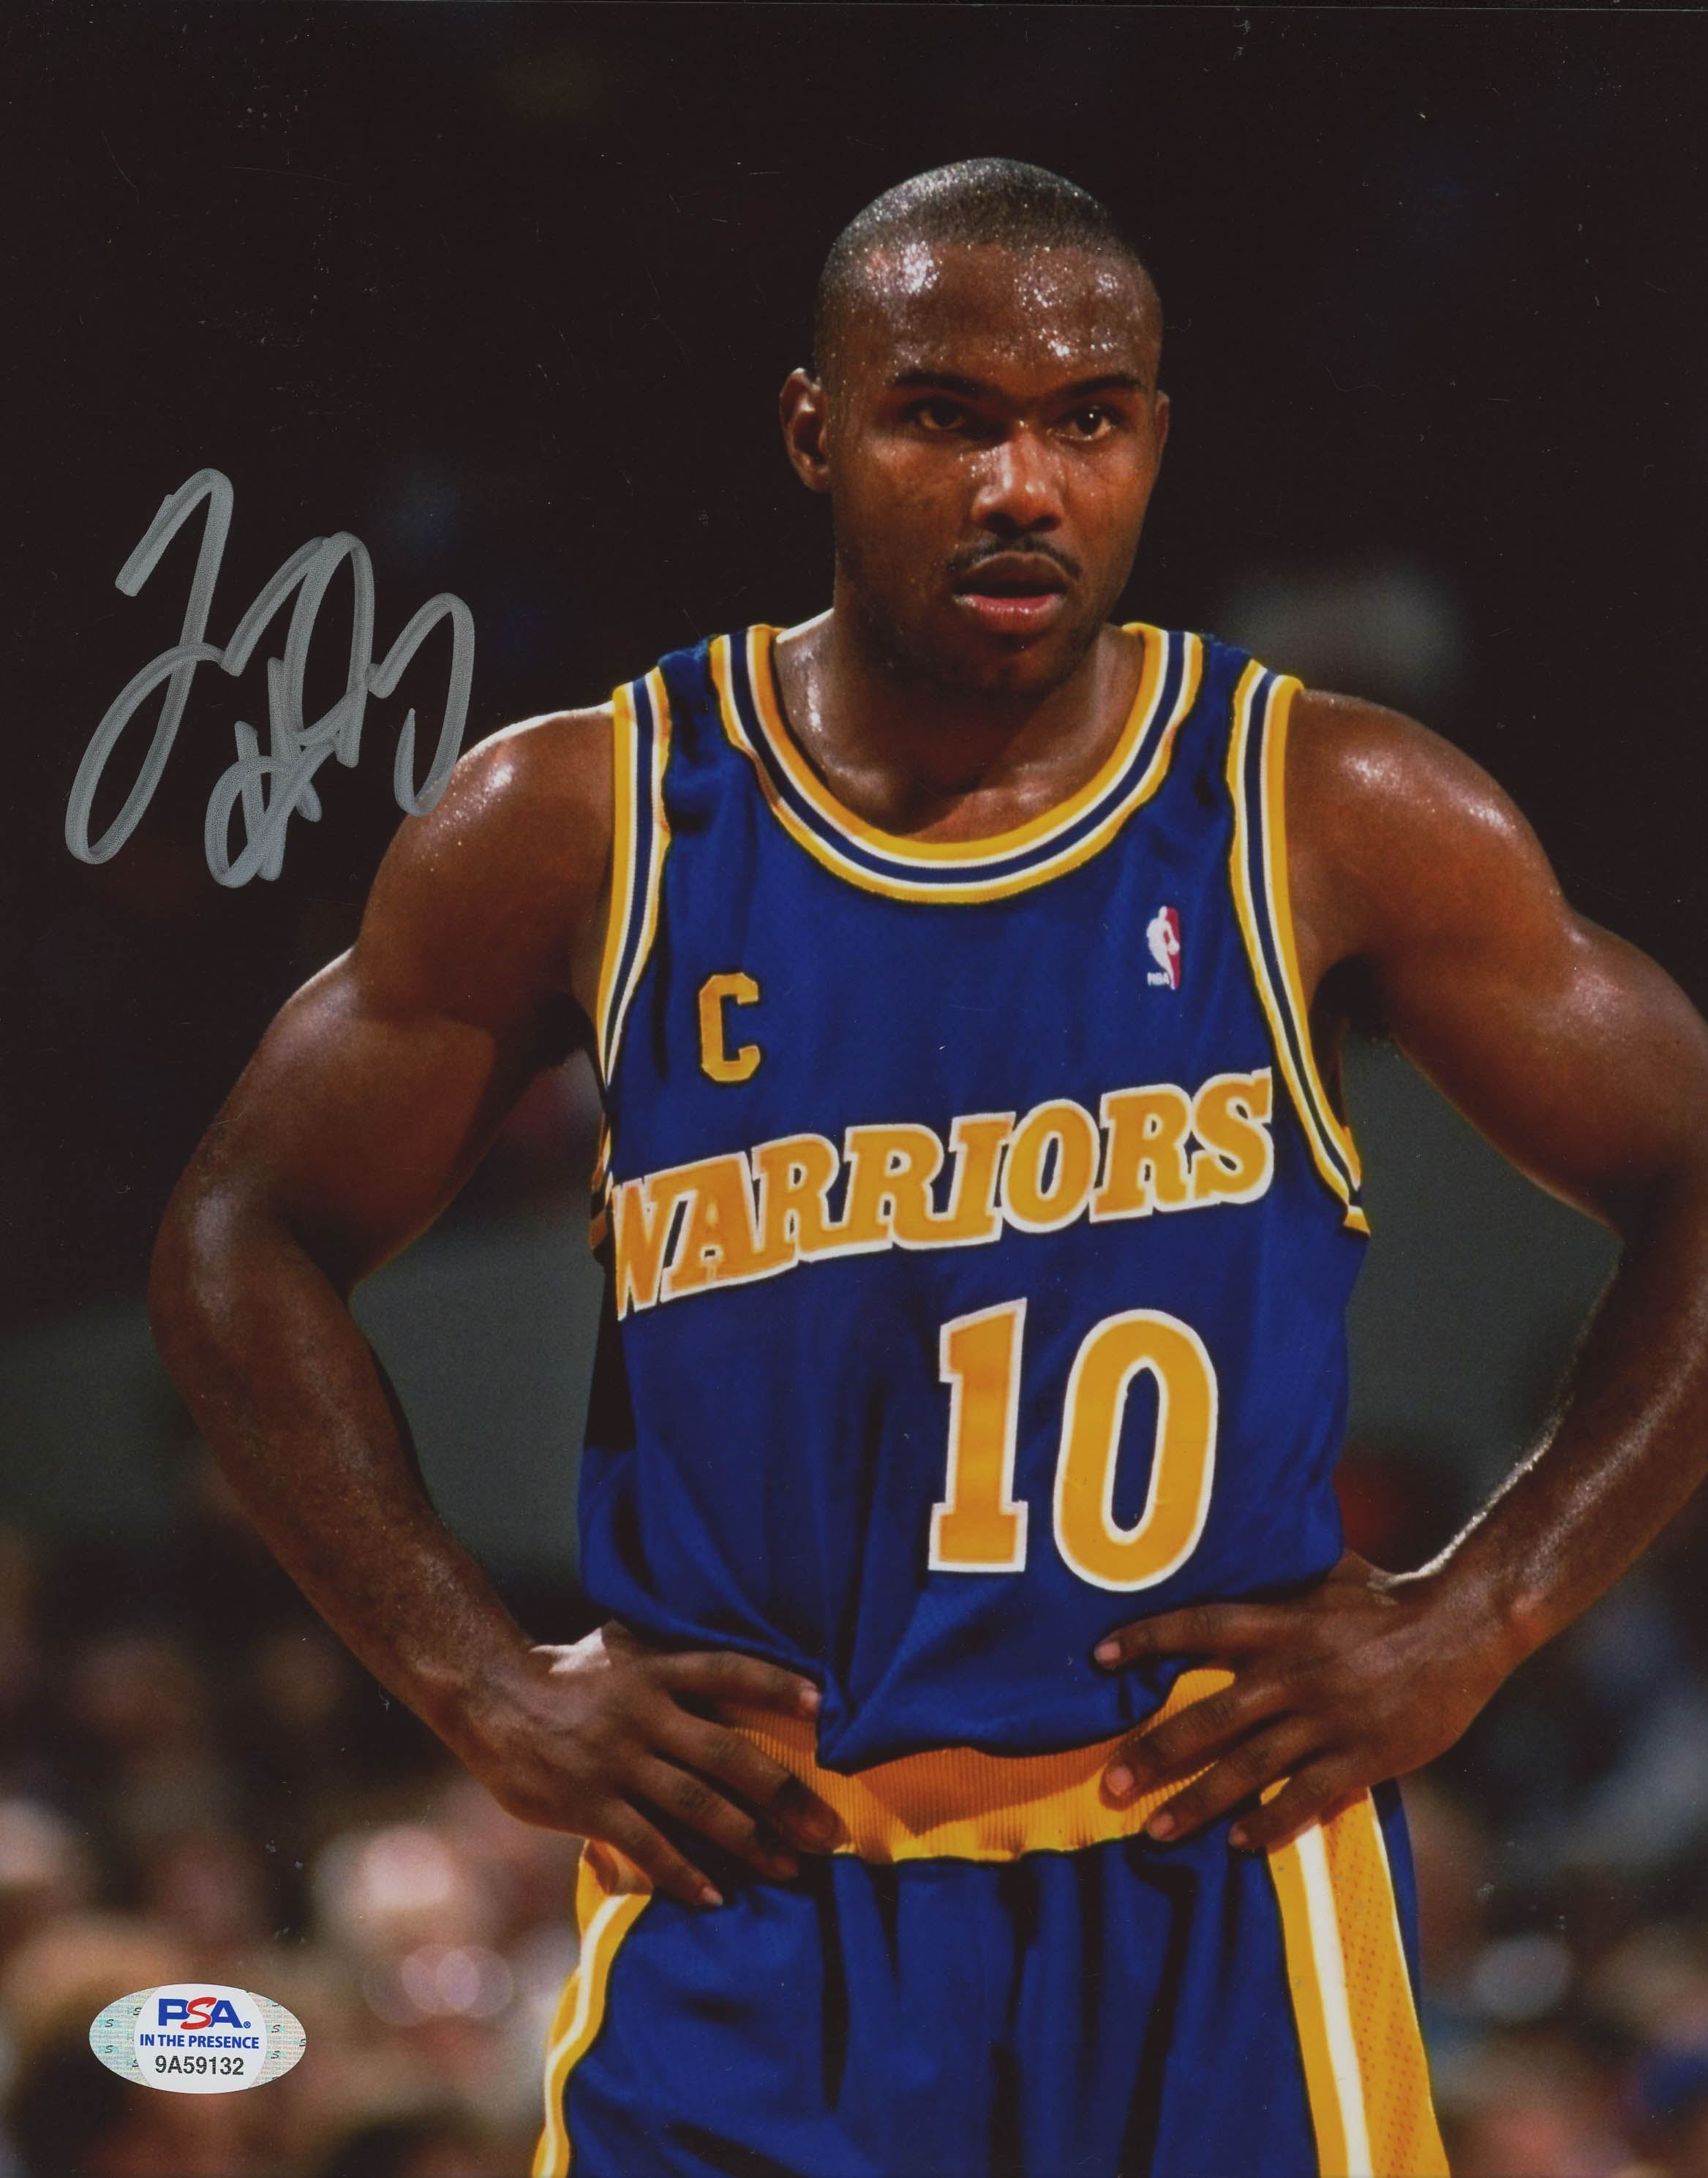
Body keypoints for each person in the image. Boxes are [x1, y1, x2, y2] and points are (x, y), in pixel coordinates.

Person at [148, 158, 1708, 2178]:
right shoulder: (587, 814)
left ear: (1156, 441)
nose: (1021, 485)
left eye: (1087, 420)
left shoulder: (1328, 805)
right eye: (945, 416)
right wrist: (480, 1686)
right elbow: (237, 1235)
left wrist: (1481, 1614)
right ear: (816, 429)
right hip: (752, 1889)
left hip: (1209, 1877)